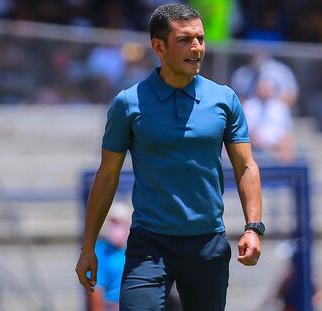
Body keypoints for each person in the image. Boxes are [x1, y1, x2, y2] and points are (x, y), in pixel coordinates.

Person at [75, 3, 264, 311]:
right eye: (185, 40)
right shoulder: (128, 104)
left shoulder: (225, 99)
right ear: (158, 47)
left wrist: (253, 227)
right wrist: (88, 246)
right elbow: (107, 176)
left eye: (200, 39)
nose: (197, 48)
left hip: (208, 243)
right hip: (150, 245)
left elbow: (246, 166)